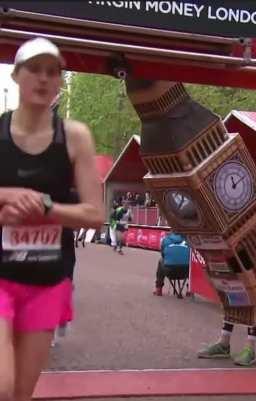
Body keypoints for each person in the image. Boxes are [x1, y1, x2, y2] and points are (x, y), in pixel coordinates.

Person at [0, 37, 104, 401]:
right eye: (34, 70)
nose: (43, 79)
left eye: (52, 71)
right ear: (16, 76)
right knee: (2, 385)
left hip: (46, 281)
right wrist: (7, 199)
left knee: (20, 394)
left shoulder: (74, 137)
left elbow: (95, 215)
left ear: (59, 80)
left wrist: (47, 209)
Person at [153, 232, 190, 296]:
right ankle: (190, 290)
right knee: (193, 264)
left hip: (169, 271)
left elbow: (163, 255)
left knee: (161, 261)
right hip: (186, 272)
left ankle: (158, 288)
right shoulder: (189, 240)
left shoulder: (166, 239)